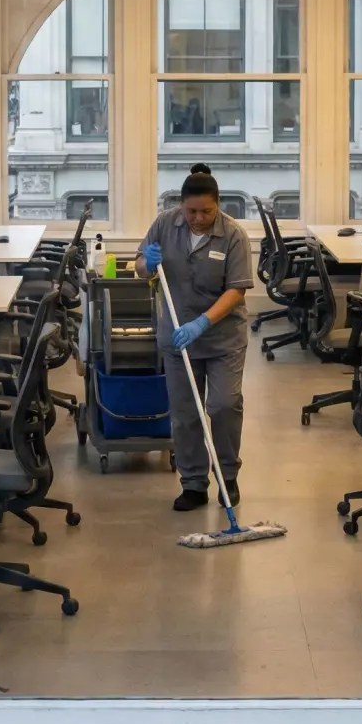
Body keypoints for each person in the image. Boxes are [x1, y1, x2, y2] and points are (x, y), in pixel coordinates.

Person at [137, 166, 253, 511]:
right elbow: (139, 266)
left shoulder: (233, 235)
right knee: (186, 413)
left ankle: (227, 475)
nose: (198, 218)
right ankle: (193, 484)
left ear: (218, 206)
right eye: (191, 211)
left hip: (223, 339)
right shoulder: (164, 224)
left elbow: (237, 290)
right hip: (176, 336)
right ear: (181, 205)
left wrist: (202, 323)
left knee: (223, 405)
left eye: (206, 211)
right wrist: (147, 263)